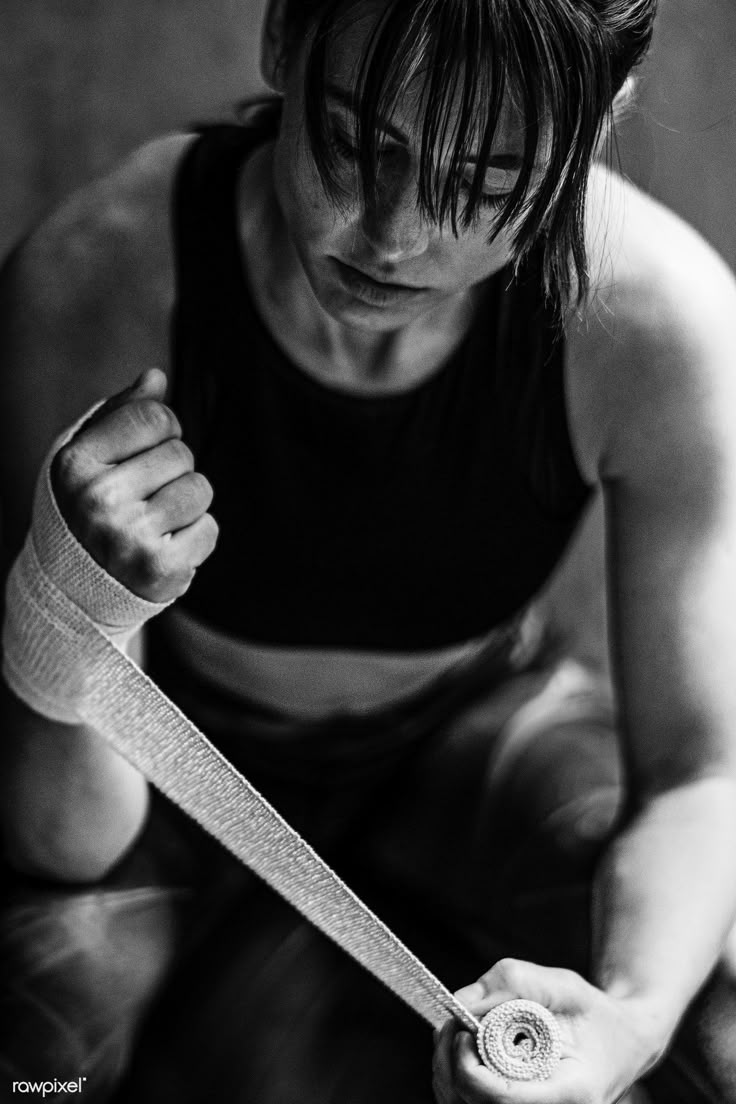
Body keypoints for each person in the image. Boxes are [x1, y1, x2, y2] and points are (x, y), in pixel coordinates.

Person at [1, 0, 736, 1101]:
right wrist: (77, 608)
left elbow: (698, 774)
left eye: (484, 186)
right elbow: (63, 845)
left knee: (712, 1028)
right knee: (29, 1059)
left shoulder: (656, 324)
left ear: (590, 128)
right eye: (354, 144)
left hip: (470, 721)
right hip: (168, 761)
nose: (390, 236)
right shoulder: (101, 280)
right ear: (284, 40)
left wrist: (624, 1022)